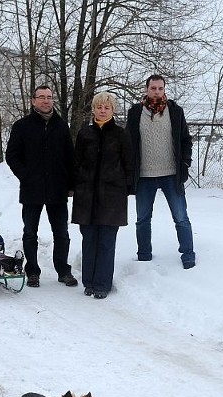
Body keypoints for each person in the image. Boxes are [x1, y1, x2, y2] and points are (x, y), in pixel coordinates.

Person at [5, 85, 78, 288]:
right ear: (33, 101)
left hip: (57, 189)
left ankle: (63, 271)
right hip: (32, 189)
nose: (46, 101)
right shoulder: (22, 126)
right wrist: (25, 175)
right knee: (30, 233)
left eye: (49, 97)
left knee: (61, 234)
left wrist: (71, 184)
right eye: (42, 97)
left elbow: (70, 158)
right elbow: (12, 155)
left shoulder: (62, 126)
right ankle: (33, 272)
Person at [126, 74, 196, 269]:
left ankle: (188, 254)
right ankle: (144, 255)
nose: (157, 92)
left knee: (181, 217)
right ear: (146, 89)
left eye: (160, 88)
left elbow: (185, 140)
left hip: (171, 174)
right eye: (153, 88)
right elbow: (128, 143)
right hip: (144, 176)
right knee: (142, 219)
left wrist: (185, 164)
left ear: (164, 90)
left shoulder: (175, 112)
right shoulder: (135, 113)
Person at [72, 92, 134, 299]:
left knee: (106, 242)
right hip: (86, 197)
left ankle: (102, 284)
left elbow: (129, 165)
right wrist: (76, 186)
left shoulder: (121, 134)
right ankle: (88, 281)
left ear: (113, 110)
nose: (103, 110)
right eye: (99, 107)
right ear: (94, 109)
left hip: (112, 198)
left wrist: (125, 188)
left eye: (107, 107)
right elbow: (77, 162)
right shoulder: (85, 133)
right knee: (89, 240)